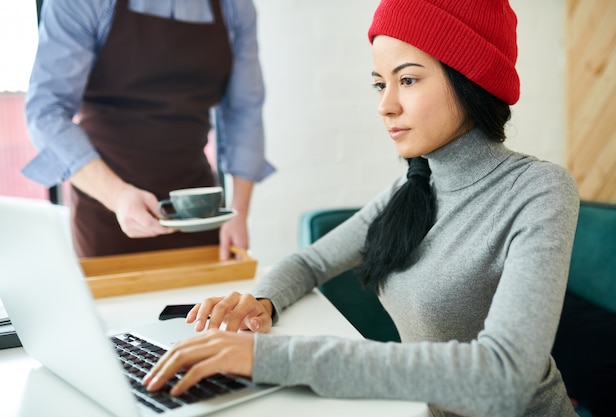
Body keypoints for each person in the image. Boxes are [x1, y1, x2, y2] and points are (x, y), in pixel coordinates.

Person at [141, 0, 581, 416]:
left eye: (407, 80)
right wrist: (261, 302)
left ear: (470, 77)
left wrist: (272, 357)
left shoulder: (540, 190)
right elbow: (310, 262)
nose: (385, 105)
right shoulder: (413, 188)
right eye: (379, 83)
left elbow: (506, 375)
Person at [23, 0, 275, 259]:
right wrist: (117, 196)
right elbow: (46, 112)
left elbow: (245, 111)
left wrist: (238, 212)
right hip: (108, 211)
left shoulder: (235, 7)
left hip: (197, 212)